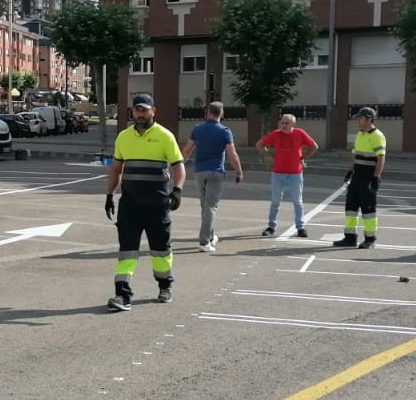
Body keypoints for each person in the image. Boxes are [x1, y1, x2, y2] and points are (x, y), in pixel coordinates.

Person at [104, 93, 184, 311]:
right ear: (132, 111)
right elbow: (116, 168)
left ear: (153, 111)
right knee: (127, 249)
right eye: (137, 109)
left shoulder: (165, 136)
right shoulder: (123, 137)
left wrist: (177, 190)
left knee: (160, 250)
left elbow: (178, 166)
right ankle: (122, 295)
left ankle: (165, 285)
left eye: (144, 109)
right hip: (130, 204)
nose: (140, 113)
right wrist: (110, 194)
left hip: (157, 204)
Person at [181, 101, 243, 253]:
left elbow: (187, 149)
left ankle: (211, 235)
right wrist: (238, 171)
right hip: (216, 171)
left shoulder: (198, 129)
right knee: (211, 206)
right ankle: (204, 241)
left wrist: (179, 164)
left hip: (199, 171)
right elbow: (232, 154)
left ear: (207, 113)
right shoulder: (225, 131)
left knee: (205, 206)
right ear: (221, 114)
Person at [256, 113, 319, 239]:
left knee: (297, 202)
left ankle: (300, 227)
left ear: (293, 124)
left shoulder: (299, 133)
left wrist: (302, 157)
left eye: (286, 123)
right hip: (278, 173)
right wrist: (268, 155)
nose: (283, 125)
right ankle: (271, 227)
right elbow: (259, 144)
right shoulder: (275, 134)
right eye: (282, 123)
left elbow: (314, 146)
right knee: (275, 201)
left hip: (295, 173)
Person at [335, 107, 387, 249]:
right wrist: (350, 171)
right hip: (357, 176)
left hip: (368, 177)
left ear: (369, 119)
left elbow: (381, 158)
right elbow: (356, 156)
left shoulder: (377, 135)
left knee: (368, 209)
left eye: (360, 118)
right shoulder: (360, 134)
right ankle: (350, 237)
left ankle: (370, 239)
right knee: (350, 207)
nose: (357, 120)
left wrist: (376, 177)